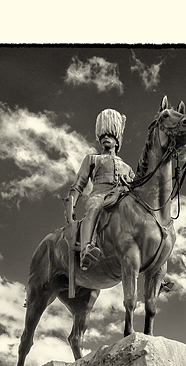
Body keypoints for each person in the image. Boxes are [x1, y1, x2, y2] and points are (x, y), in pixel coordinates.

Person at [65, 109, 135, 269]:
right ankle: (86, 250)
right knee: (95, 207)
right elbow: (78, 185)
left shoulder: (128, 168)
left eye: (109, 136)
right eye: (102, 136)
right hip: (99, 196)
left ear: (117, 141)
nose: (105, 139)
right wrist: (71, 205)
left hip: (121, 198)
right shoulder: (92, 159)